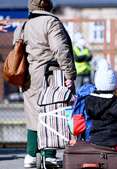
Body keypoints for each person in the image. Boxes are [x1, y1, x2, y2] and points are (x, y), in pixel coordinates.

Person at [14, 0, 76, 168]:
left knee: (33, 114)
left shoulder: (24, 25)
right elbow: (60, 50)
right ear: (48, 5)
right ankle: (49, 155)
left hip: (29, 76)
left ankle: (30, 155)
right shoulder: (51, 22)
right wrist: (69, 73)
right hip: (51, 75)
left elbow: (17, 48)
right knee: (54, 112)